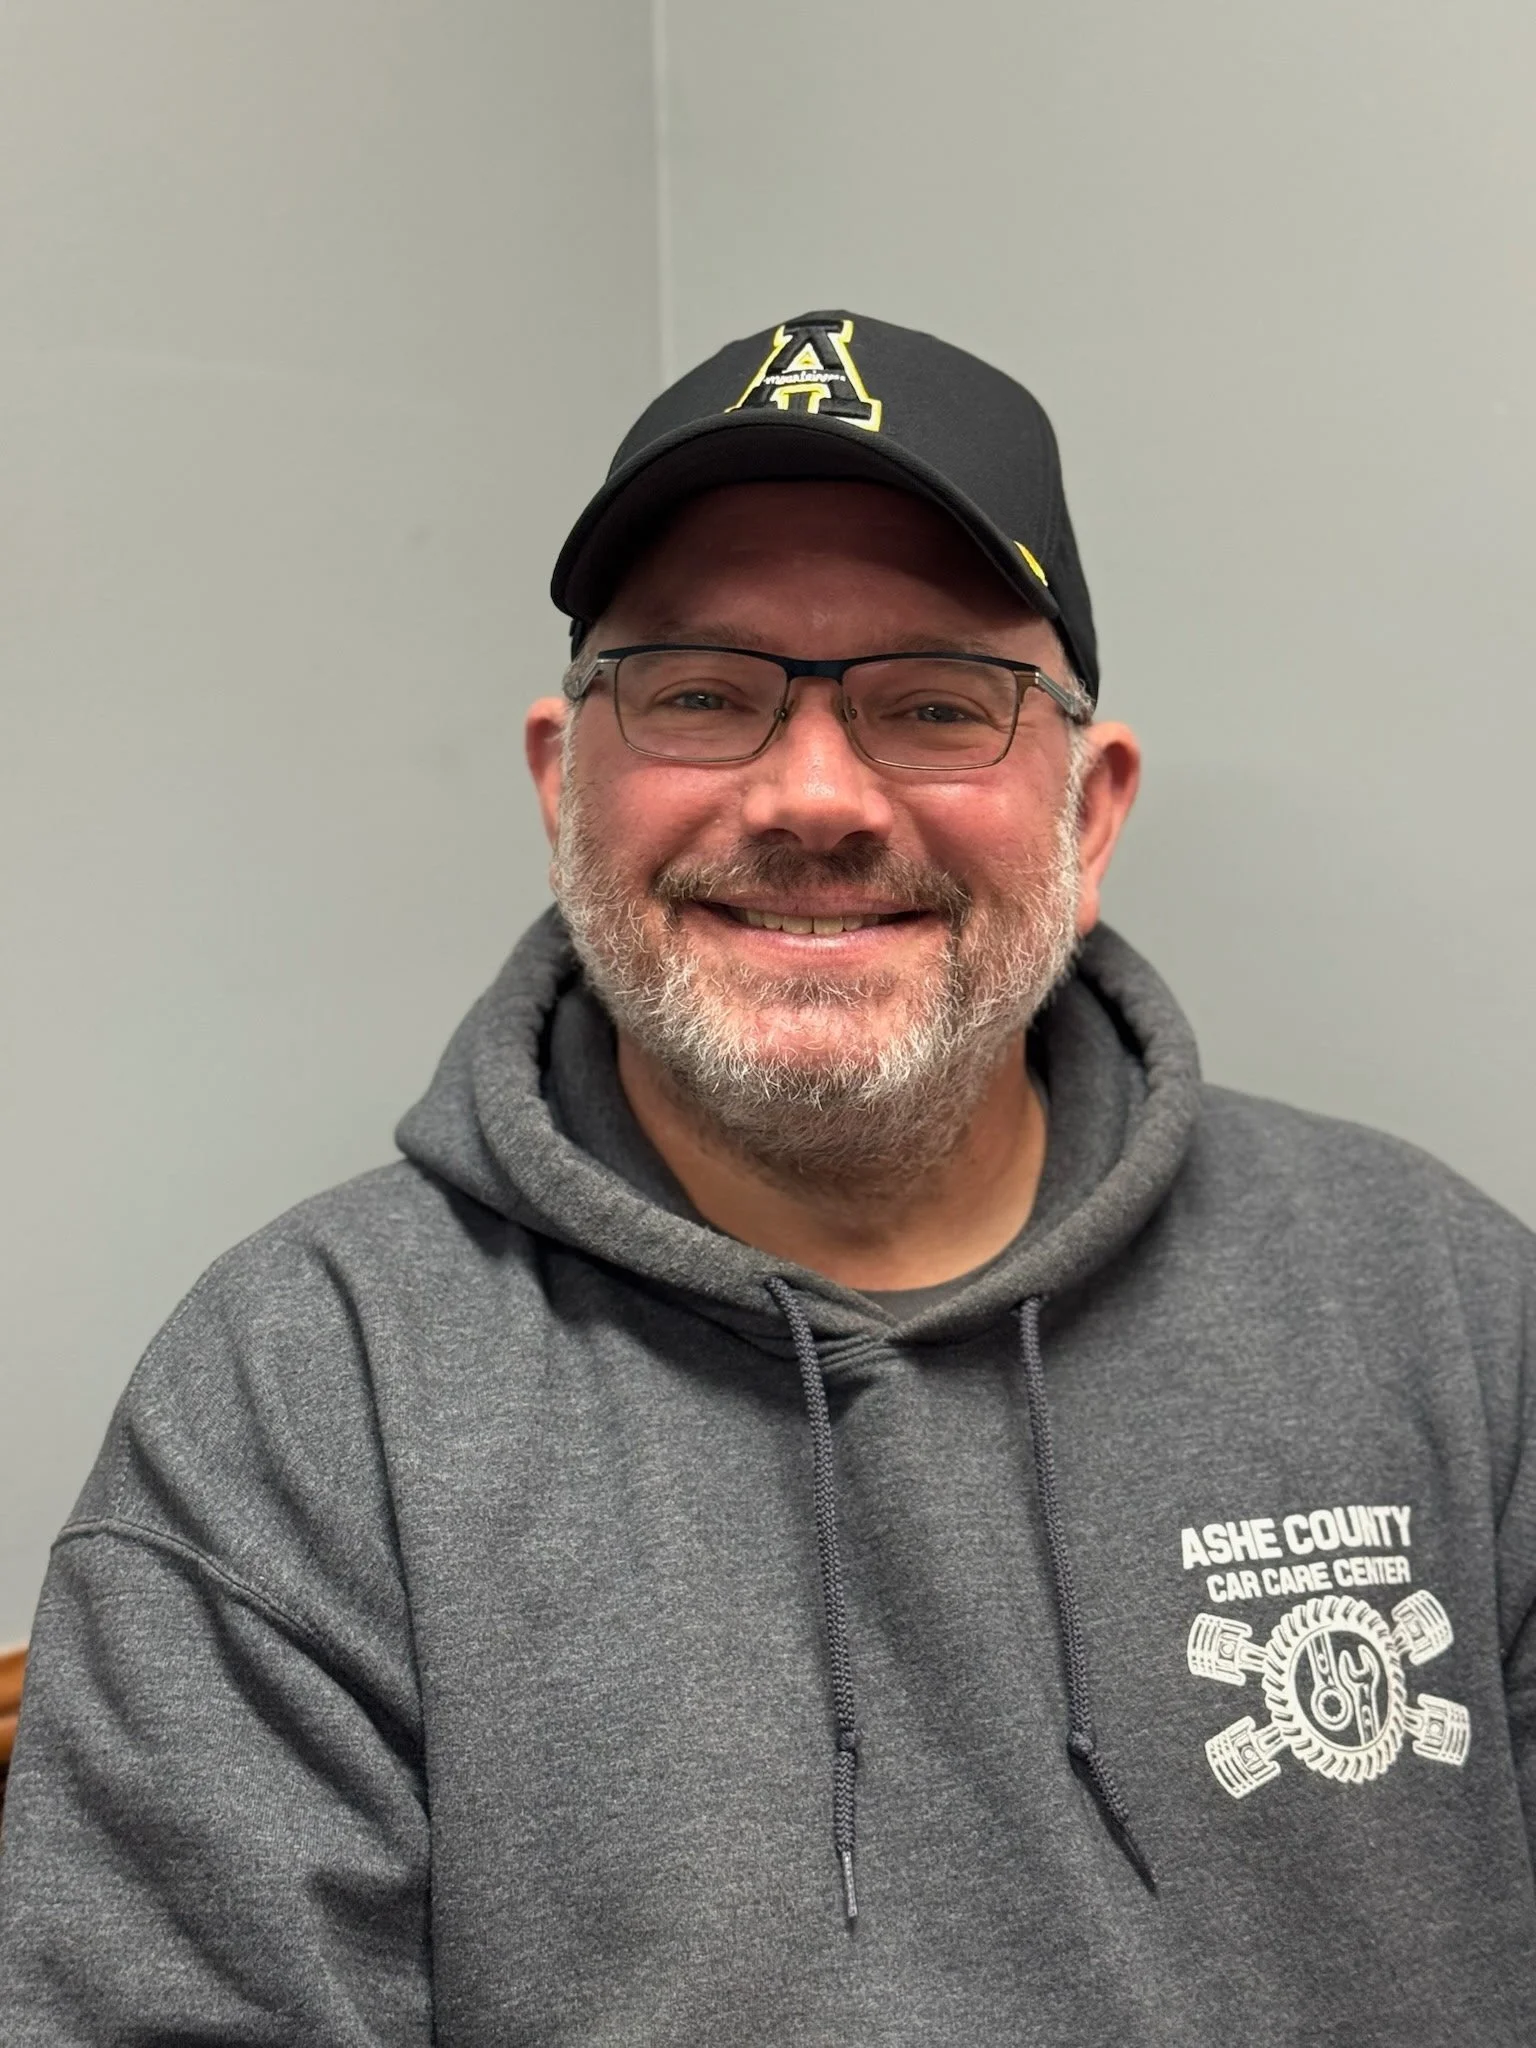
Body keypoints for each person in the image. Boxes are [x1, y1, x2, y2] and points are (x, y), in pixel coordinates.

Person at [1, 309, 1533, 2047]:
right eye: (704, 695)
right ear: (562, 783)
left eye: (937, 703)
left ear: (1089, 818)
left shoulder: (1450, 1315)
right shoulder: (300, 1400)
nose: (816, 795)